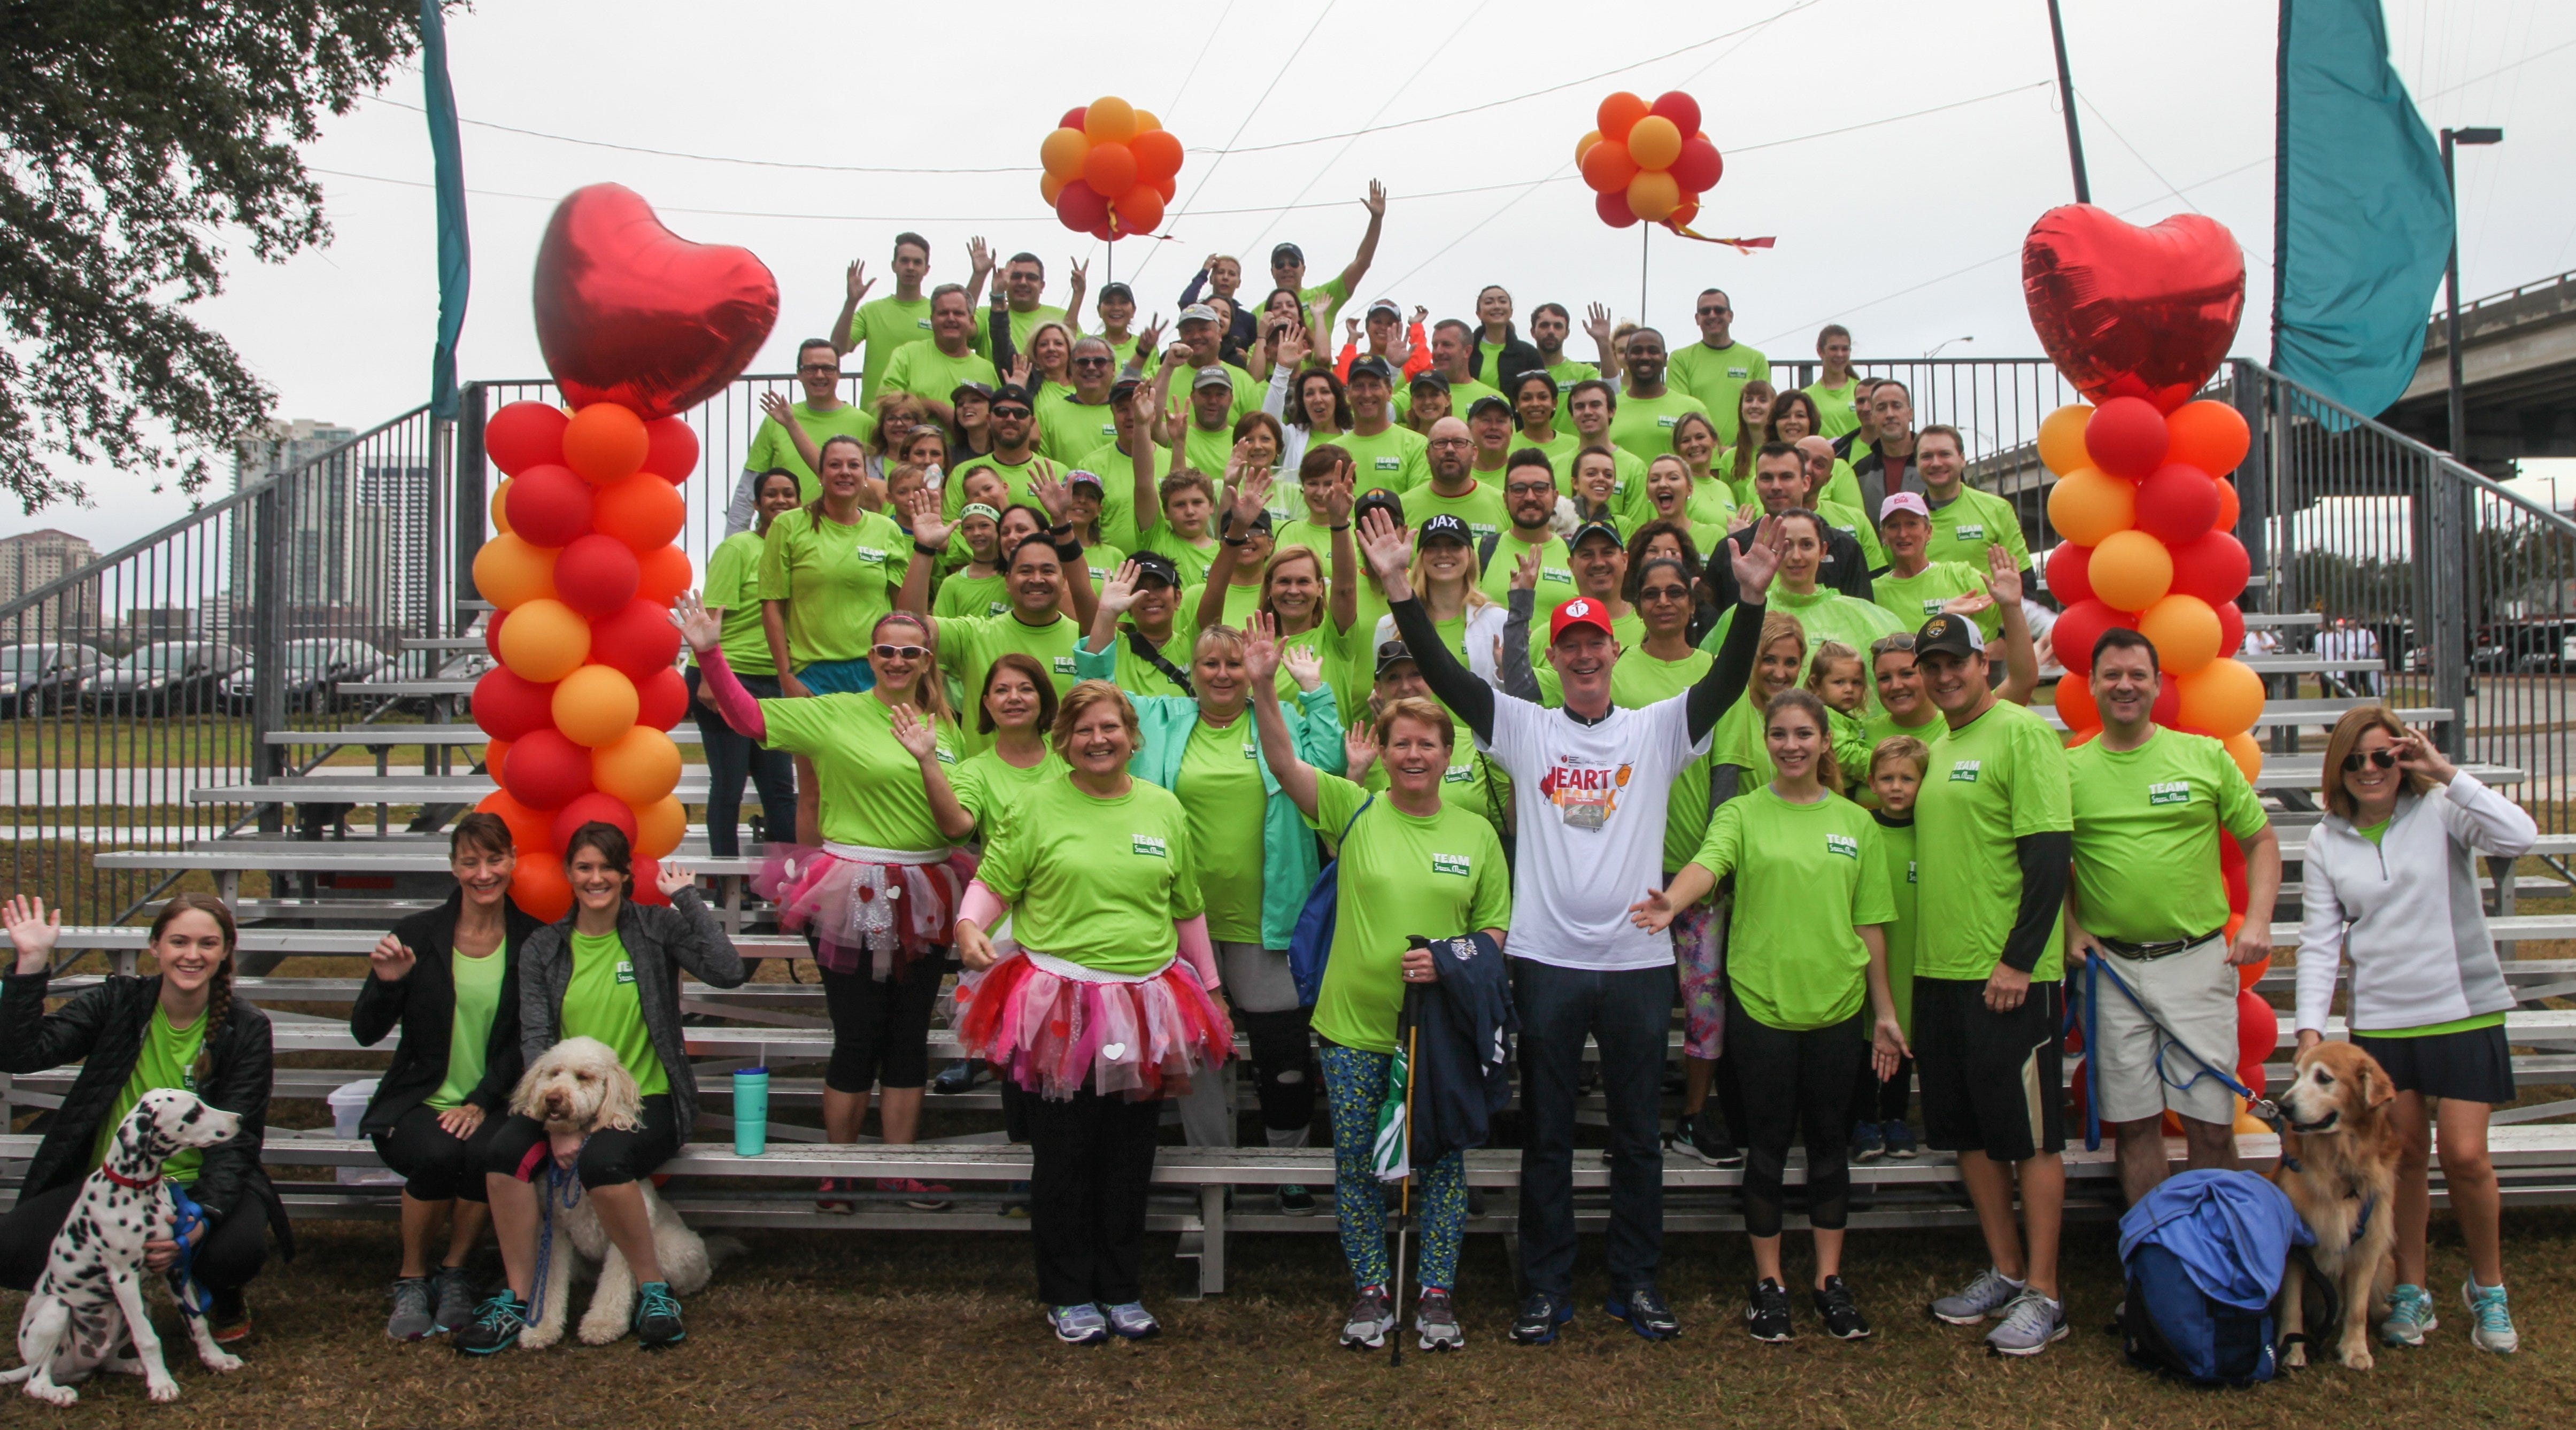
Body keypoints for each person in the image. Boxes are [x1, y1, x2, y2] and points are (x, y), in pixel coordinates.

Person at [1357, 504, 1782, 1344]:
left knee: (1637, 1137)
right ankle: (1545, 1286)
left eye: (1596, 642)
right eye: (1571, 644)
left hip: (1634, 960)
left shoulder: (1656, 730)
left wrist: (1753, 602)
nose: (1585, 654)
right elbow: (1446, 679)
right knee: (1546, 1133)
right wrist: (1402, 590)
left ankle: (1636, 1282)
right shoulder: (1526, 727)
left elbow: (1729, 683)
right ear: (1553, 657)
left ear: (1613, 651)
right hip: (1546, 959)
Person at [1244, 619, 1509, 1353]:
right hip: (1354, 1026)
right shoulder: (1352, 808)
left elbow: (1493, 932)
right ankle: (1369, 1287)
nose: (1415, 752)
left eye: (1428, 742)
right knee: (1359, 1160)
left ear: (1447, 753)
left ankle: (1433, 1292)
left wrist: (1447, 959)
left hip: (1439, 1029)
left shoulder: (1476, 833)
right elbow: (1282, 760)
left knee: (1442, 1164)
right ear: (1384, 753)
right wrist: (1264, 685)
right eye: (1402, 743)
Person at [951, 681, 1232, 1344]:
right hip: (1061, 1005)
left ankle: (1122, 1286)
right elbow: (994, 882)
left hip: (1143, 1003)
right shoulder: (1036, 805)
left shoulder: (1164, 808)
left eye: (1110, 728)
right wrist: (969, 925)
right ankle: (1068, 1291)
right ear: (1064, 741)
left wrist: (1213, 986)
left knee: (1131, 1153)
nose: (1098, 740)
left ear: (1132, 736)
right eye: (1083, 730)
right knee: (1065, 1153)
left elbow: (1186, 904)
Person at [678, 596, 974, 1210]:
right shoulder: (833, 712)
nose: (897, 660)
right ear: (870, 656)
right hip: (854, 890)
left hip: (926, 890)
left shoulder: (952, 729)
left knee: (908, 1033)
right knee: (857, 1032)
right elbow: (747, 718)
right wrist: (709, 652)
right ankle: (837, 1168)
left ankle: (899, 1166)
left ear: (927, 660)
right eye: (886, 650)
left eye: (909, 651)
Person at [1632, 687, 1904, 1342]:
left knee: (1830, 1150)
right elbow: (1709, 862)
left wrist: (1885, 1011)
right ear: (1766, 741)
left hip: (1837, 1007)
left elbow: (1870, 925)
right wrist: (1672, 899)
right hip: (1762, 1004)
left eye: (1803, 734)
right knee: (1769, 1148)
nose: (1790, 745)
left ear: (1823, 742)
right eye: (1779, 733)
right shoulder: (1745, 813)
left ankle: (1829, 1281)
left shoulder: (1855, 822)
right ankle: (1770, 1283)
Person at [1080, 585, 1344, 1193]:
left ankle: (1287, 1168)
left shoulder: (1272, 720)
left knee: (1282, 1052)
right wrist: (1106, 615)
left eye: (1234, 663)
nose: (1223, 674)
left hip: (1268, 918)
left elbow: (1326, 763)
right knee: (1195, 1053)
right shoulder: (1160, 718)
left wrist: (1290, 687)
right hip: (1176, 922)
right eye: (1211, 663)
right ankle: (1211, 1170)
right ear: (1192, 671)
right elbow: (1088, 689)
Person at [2296, 706, 2536, 1354]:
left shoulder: (2441, 810)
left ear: (2402, 757)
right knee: (2400, 1161)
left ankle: (2488, 1287)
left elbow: (2519, 835)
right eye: (2356, 759)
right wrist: (2311, 1029)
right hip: (2382, 1024)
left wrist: (2445, 772)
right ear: (2339, 768)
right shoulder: (2327, 839)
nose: (2371, 770)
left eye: (2384, 756)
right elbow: (2321, 940)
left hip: (2463, 1009)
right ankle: (2413, 1288)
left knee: (2465, 1155)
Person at [455, 829, 744, 1354]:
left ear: (625, 874)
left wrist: (687, 898)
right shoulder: (545, 945)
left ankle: (653, 1289)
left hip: (645, 1098)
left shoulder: (655, 927)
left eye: (607, 868)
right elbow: (537, 1038)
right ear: (569, 873)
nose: (595, 879)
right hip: (561, 1096)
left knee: (604, 1160)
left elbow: (728, 970)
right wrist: (555, 1125)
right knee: (501, 1154)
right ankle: (520, 1297)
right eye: (584, 868)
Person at [2, 893, 283, 1343]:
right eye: (179, 941)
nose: (193, 955)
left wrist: (202, 1221)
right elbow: (20, 1051)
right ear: (155, 947)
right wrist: (31, 963)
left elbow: (238, 1138)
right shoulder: (118, 1001)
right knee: (10, 1248)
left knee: (235, 1252)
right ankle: (104, 1291)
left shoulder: (246, 1027)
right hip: (112, 1185)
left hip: (193, 1182)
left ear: (227, 950)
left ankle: (220, 1288)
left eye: (208, 943)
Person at [2063, 628, 2281, 1206]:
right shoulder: (2068, 769)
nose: (2125, 685)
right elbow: (2047, 859)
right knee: (2135, 1126)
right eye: (2111, 675)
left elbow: (2260, 841)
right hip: (2113, 970)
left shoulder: (2203, 754)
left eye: (2137, 674)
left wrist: (2258, 921)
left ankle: (2220, 1264)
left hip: (2195, 961)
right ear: (2091, 685)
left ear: (2158, 684)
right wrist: (2071, 926)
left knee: (2210, 1124)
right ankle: (2155, 1268)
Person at [1907, 612, 2074, 1357]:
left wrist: (2017, 958)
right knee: (1969, 1133)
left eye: (1956, 663)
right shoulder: (1941, 745)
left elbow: (2048, 855)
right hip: (1941, 972)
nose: (1944, 676)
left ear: (1986, 662)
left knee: (2029, 1137)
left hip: (2007, 976)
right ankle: (2005, 1270)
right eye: (1931, 666)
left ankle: (2045, 1289)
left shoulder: (2021, 732)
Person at [354, 814, 548, 1339]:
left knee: (486, 1152)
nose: (483, 873)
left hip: (495, 1100)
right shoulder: (416, 934)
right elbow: (365, 1031)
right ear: (453, 866)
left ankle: (456, 1269)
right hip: (420, 1100)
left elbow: (527, 1039)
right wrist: (388, 984)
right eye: (470, 861)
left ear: (512, 859)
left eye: (494, 859)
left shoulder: (534, 940)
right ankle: (412, 1275)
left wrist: (482, 1100)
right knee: (439, 1153)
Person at [897, 515, 1093, 756]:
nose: (1037, 579)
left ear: (1064, 581)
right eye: (1026, 571)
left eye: (1048, 571)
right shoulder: (975, 635)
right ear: (1008, 582)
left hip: (1063, 786)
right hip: (984, 788)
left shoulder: (1087, 644)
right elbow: (907, 627)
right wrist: (925, 549)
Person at [685, 469, 806, 856]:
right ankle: (724, 885)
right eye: (771, 494)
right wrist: (709, 677)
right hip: (726, 676)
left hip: (776, 681)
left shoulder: (798, 550)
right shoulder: (738, 548)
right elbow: (709, 616)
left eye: (789, 493)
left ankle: (786, 891)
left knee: (780, 790)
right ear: (756, 503)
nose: (781, 500)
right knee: (730, 784)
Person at [759, 434, 914, 707]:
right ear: (820, 474)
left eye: (854, 465)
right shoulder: (788, 526)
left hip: (875, 671)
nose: (845, 472)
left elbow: (901, 611)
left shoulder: (887, 530)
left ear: (866, 475)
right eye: (835, 465)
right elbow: (773, 606)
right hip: (811, 674)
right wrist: (786, 677)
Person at [1700, 510, 1903, 709]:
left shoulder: (1864, 615)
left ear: (1823, 551)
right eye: (1787, 546)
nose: (1796, 556)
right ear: (1774, 549)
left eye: (1807, 545)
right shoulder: (1744, 614)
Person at [1852, 735, 1929, 1159]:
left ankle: (1896, 1118)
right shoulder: (1861, 830)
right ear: (1872, 782)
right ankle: (1863, 1119)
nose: (1897, 787)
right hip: (1869, 954)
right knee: (1866, 1039)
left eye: (1907, 778)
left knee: (1903, 1035)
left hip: (1911, 955)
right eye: (1887, 778)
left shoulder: (1931, 835)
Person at [728, 339, 876, 530]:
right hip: (784, 535)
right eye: (811, 368)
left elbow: (875, 487)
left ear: (839, 374)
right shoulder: (777, 419)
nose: (820, 375)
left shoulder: (865, 424)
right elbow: (748, 487)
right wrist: (734, 541)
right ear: (799, 373)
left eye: (828, 368)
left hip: (845, 534)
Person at [1700, 443, 1873, 605]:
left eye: (1786, 477)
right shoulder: (1731, 550)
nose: (1776, 486)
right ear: (1756, 486)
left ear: (1805, 483)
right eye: (1767, 478)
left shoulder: (1844, 548)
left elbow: (1862, 617)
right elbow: (1713, 623)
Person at [1368, 514, 1507, 688]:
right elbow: (1382, 691)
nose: (1443, 554)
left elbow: (1512, 699)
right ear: (1421, 557)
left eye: (1455, 545)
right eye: (1433, 546)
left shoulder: (1499, 621)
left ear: (1470, 555)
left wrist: (1504, 675)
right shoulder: (1391, 625)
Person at [1912, 425, 2034, 586]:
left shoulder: (1997, 509)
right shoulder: (1906, 517)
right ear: (1917, 463)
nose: (1936, 463)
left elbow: (2024, 579)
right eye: (1927, 456)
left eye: (1945, 454)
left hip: (1985, 611)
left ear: (1962, 459)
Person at [1267, 182, 1386, 333]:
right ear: (1272, 271)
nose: (1287, 268)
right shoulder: (1259, 312)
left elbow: (1362, 263)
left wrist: (1376, 219)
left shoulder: (1323, 297)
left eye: (1293, 263)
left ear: (1303, 269)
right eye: (1279, 264)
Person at [832, 234, 935, 408]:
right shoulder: (870, 311)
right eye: (904, 261)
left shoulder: (938, 312)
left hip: (923, 418)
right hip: (877, 418)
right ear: (894, 265)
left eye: (917, 262)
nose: (910, 267)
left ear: (927, 269)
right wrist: (851, 302)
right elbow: (838, 348)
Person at [880, 284, 1000, 429]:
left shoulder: (988, 370)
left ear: (971, 321)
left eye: (958, 313)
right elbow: (886, 402)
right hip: (916, 449)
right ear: (932, 319)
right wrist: (936, 407)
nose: (951, 318)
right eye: (944, 313)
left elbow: (998, 420)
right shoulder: (907, 355)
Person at [1665, 289, 1770, 443]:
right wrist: (1714, 449)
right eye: (1706, 311)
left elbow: (1763, 411)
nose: (1712, 315)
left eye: (1719, 310)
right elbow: (1682, 414)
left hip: (1743, 455)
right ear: (1697, 318)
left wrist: (1736, 451)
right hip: (1699, 452)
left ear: (1731, 316)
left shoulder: (1756, 359)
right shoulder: (1680, 359)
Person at [1477, 451, 1575, 604]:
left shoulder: (1577, 555)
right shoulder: (1477, 552)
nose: (1530, 497)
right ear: (1505, 499)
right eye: (1519, 489)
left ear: (1555, 497)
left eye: (1540, 488)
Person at [1606, 328, 1709, 462]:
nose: (1645, 357)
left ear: (1665, 359)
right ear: (1626, 358)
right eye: (1637, 351)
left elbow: (1708, 473)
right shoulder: (1608, 409)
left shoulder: (1692, 408)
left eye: (1653, 351)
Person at [1264, 328, 1349, 481]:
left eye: (1325, 392)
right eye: (1309, 394)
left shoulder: (1353, 436)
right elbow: (1268, 424)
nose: (1318, 399)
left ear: (1337, 398)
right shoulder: (1292, 437)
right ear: (1302, 402)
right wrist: (1282, 369)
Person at [1407, 416, 1510, 541]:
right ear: (1428, 455)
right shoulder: (1404, 508)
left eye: (1459, 443)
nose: (1450, 449)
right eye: (1441, 443)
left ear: (1475, 453)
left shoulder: (1505, 505)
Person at [1564, 380, 1654, 521]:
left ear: (1611, 411)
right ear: (1572, 416)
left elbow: (1635, 531)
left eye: (1595, 405)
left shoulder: (1635, 468)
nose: (1587, 412)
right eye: (1580, 407)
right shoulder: (1555, 465)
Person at [969, 244, 1075, 364]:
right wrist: (979, 275)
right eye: (1016, 276)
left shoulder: (1062, 318)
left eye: (1031, 277)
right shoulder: (986, 315)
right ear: (1006, 282)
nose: (1023, 282)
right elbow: (962, 328)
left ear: (1042, 286)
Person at [1846, 378, 1918, 517]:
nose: (1890, 414)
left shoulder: (1935, 465)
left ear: (1910, 413)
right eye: (1881, 408)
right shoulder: (1860, 472)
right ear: (1872, 417)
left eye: (1896, 406)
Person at [1336, 298, 1431, 383]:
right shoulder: (1356, 361)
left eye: (1390, 323)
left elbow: (1423, 371)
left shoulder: (1405, 362)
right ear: (1367, 326)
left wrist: (1416, 325)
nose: (1383, 327)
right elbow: (1341, 382)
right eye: (1377, 321)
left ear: (1399, 329)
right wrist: (1352, 340)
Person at [1530, 300, 1615, 395]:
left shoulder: (1584, 373)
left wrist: (1604, 344)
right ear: (1533, 332)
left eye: (1558, 326)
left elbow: (1612, 394)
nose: (1551, 331)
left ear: (1567, 333)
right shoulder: (1520, 372)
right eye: (1545, 325)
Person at [1804, 324, 1862, 440]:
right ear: (1820, 351)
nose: (1840, 354)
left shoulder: (1861, 391)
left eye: (1845, 349)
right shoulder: (1807, 396)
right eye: (1834, 349)